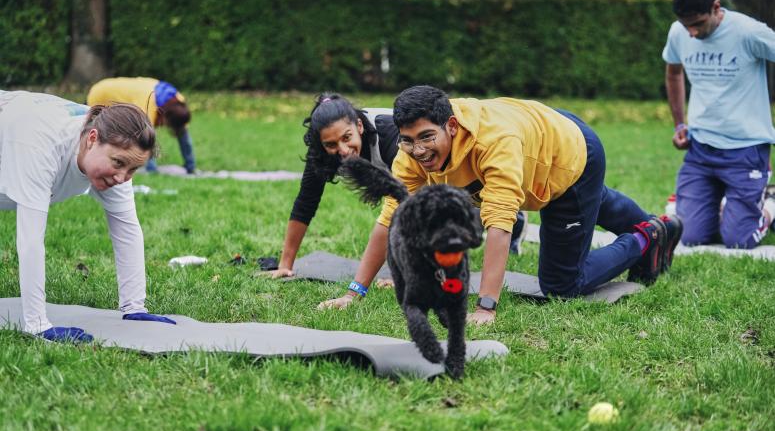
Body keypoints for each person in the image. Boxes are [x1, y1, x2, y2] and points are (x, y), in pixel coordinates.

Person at [319, 85, 683, 324]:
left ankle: (648, 236)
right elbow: (391, 219)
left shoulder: (494, 144)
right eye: (410, 140)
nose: (419, 150)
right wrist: (355, 292)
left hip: (570, 153)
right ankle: (658, 228)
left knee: (561, 284)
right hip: (538, 130)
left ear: (452, 126)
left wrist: (485, 306)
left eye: (427, 137)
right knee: (593, 203)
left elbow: (500, 224)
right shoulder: (410, 155)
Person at [0, 90, 176, 342]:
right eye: (118, 163)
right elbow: (29, 240)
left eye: (133, 169)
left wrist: (134, 307)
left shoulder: (115, 150)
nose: (122, 177)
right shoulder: (39, 142)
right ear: (92, 139)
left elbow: (126, 229)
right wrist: (37, 324)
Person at [663, 0, 775, 248]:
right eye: (686, 25)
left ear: (716, 7)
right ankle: (724, 203)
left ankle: (770, 201)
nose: (691, 33)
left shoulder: (748, 32)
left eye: (698, 24)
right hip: (701, 149)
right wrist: (680, 125)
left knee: (738, 241)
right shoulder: (679, 32)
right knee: (689, 237)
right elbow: (673, 72)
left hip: (746, 150)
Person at [267, 93, 399, 282]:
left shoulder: (388, 135)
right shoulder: (320, 153)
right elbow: (306, 201)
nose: (343, 150)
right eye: (331, 144)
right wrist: (285, 265)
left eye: (347, 137)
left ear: (359, 126)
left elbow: (406, 204)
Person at [87, 77, 196, 174]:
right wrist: (152, 169)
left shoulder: (179, 101)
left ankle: (190, 165)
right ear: (166, 117)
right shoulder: (149, 104)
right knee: (94, 131)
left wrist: (190, 166)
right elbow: (146, 139)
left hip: (121, 89)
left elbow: (183, 133)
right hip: (102, 93)